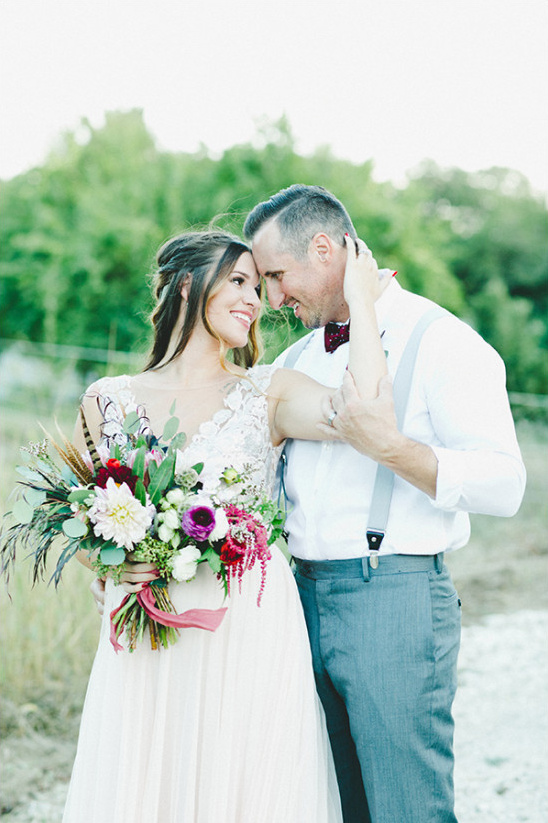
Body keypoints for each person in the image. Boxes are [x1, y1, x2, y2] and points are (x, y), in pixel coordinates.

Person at [64, 229, 387, 823]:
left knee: (246, 780)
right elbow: (80, 525)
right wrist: (116, 563)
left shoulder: (267, 393)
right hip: (148, 624)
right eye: (238, 281)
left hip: (249, 623)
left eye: (259, 287)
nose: (255, 300)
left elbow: (363, 410)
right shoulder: (106, 400)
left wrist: (362, 302)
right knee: (147, 775)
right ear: (187, 286)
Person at [243, 185, 526, 823]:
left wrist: (395, 450)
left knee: (406, 808)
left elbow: (505, 484)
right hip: (298, 602)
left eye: (278, 277)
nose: (274, 298)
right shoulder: (294, 357)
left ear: (324, 248)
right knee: (330, 803)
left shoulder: (444, 342)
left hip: (391, 597)